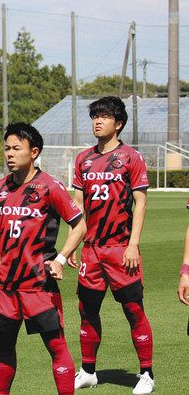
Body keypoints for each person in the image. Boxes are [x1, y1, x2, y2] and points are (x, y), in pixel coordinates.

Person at [0, 122, 86, 395]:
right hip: (7, 286)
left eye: (16, 148)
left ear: (34, 152)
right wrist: (0, 261)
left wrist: (61, 259)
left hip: (39, 283)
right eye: (7, 148)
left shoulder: (49, 186)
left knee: (56, 346)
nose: (9, 153)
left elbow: (79, 225)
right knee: (2, 346)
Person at [70, 96, 154, 394]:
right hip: (91, 250)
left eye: (104, 116)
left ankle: (147, 374)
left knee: (133, 309)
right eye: (95, 116)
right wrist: (73, 244)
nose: (98, 121)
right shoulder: (83, 159)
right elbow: (77, 205)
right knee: (87, 309)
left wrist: (133, 244)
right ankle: (88, 371)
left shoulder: (131, 157)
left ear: (118, 124)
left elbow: (140, 202)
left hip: (120, 248)